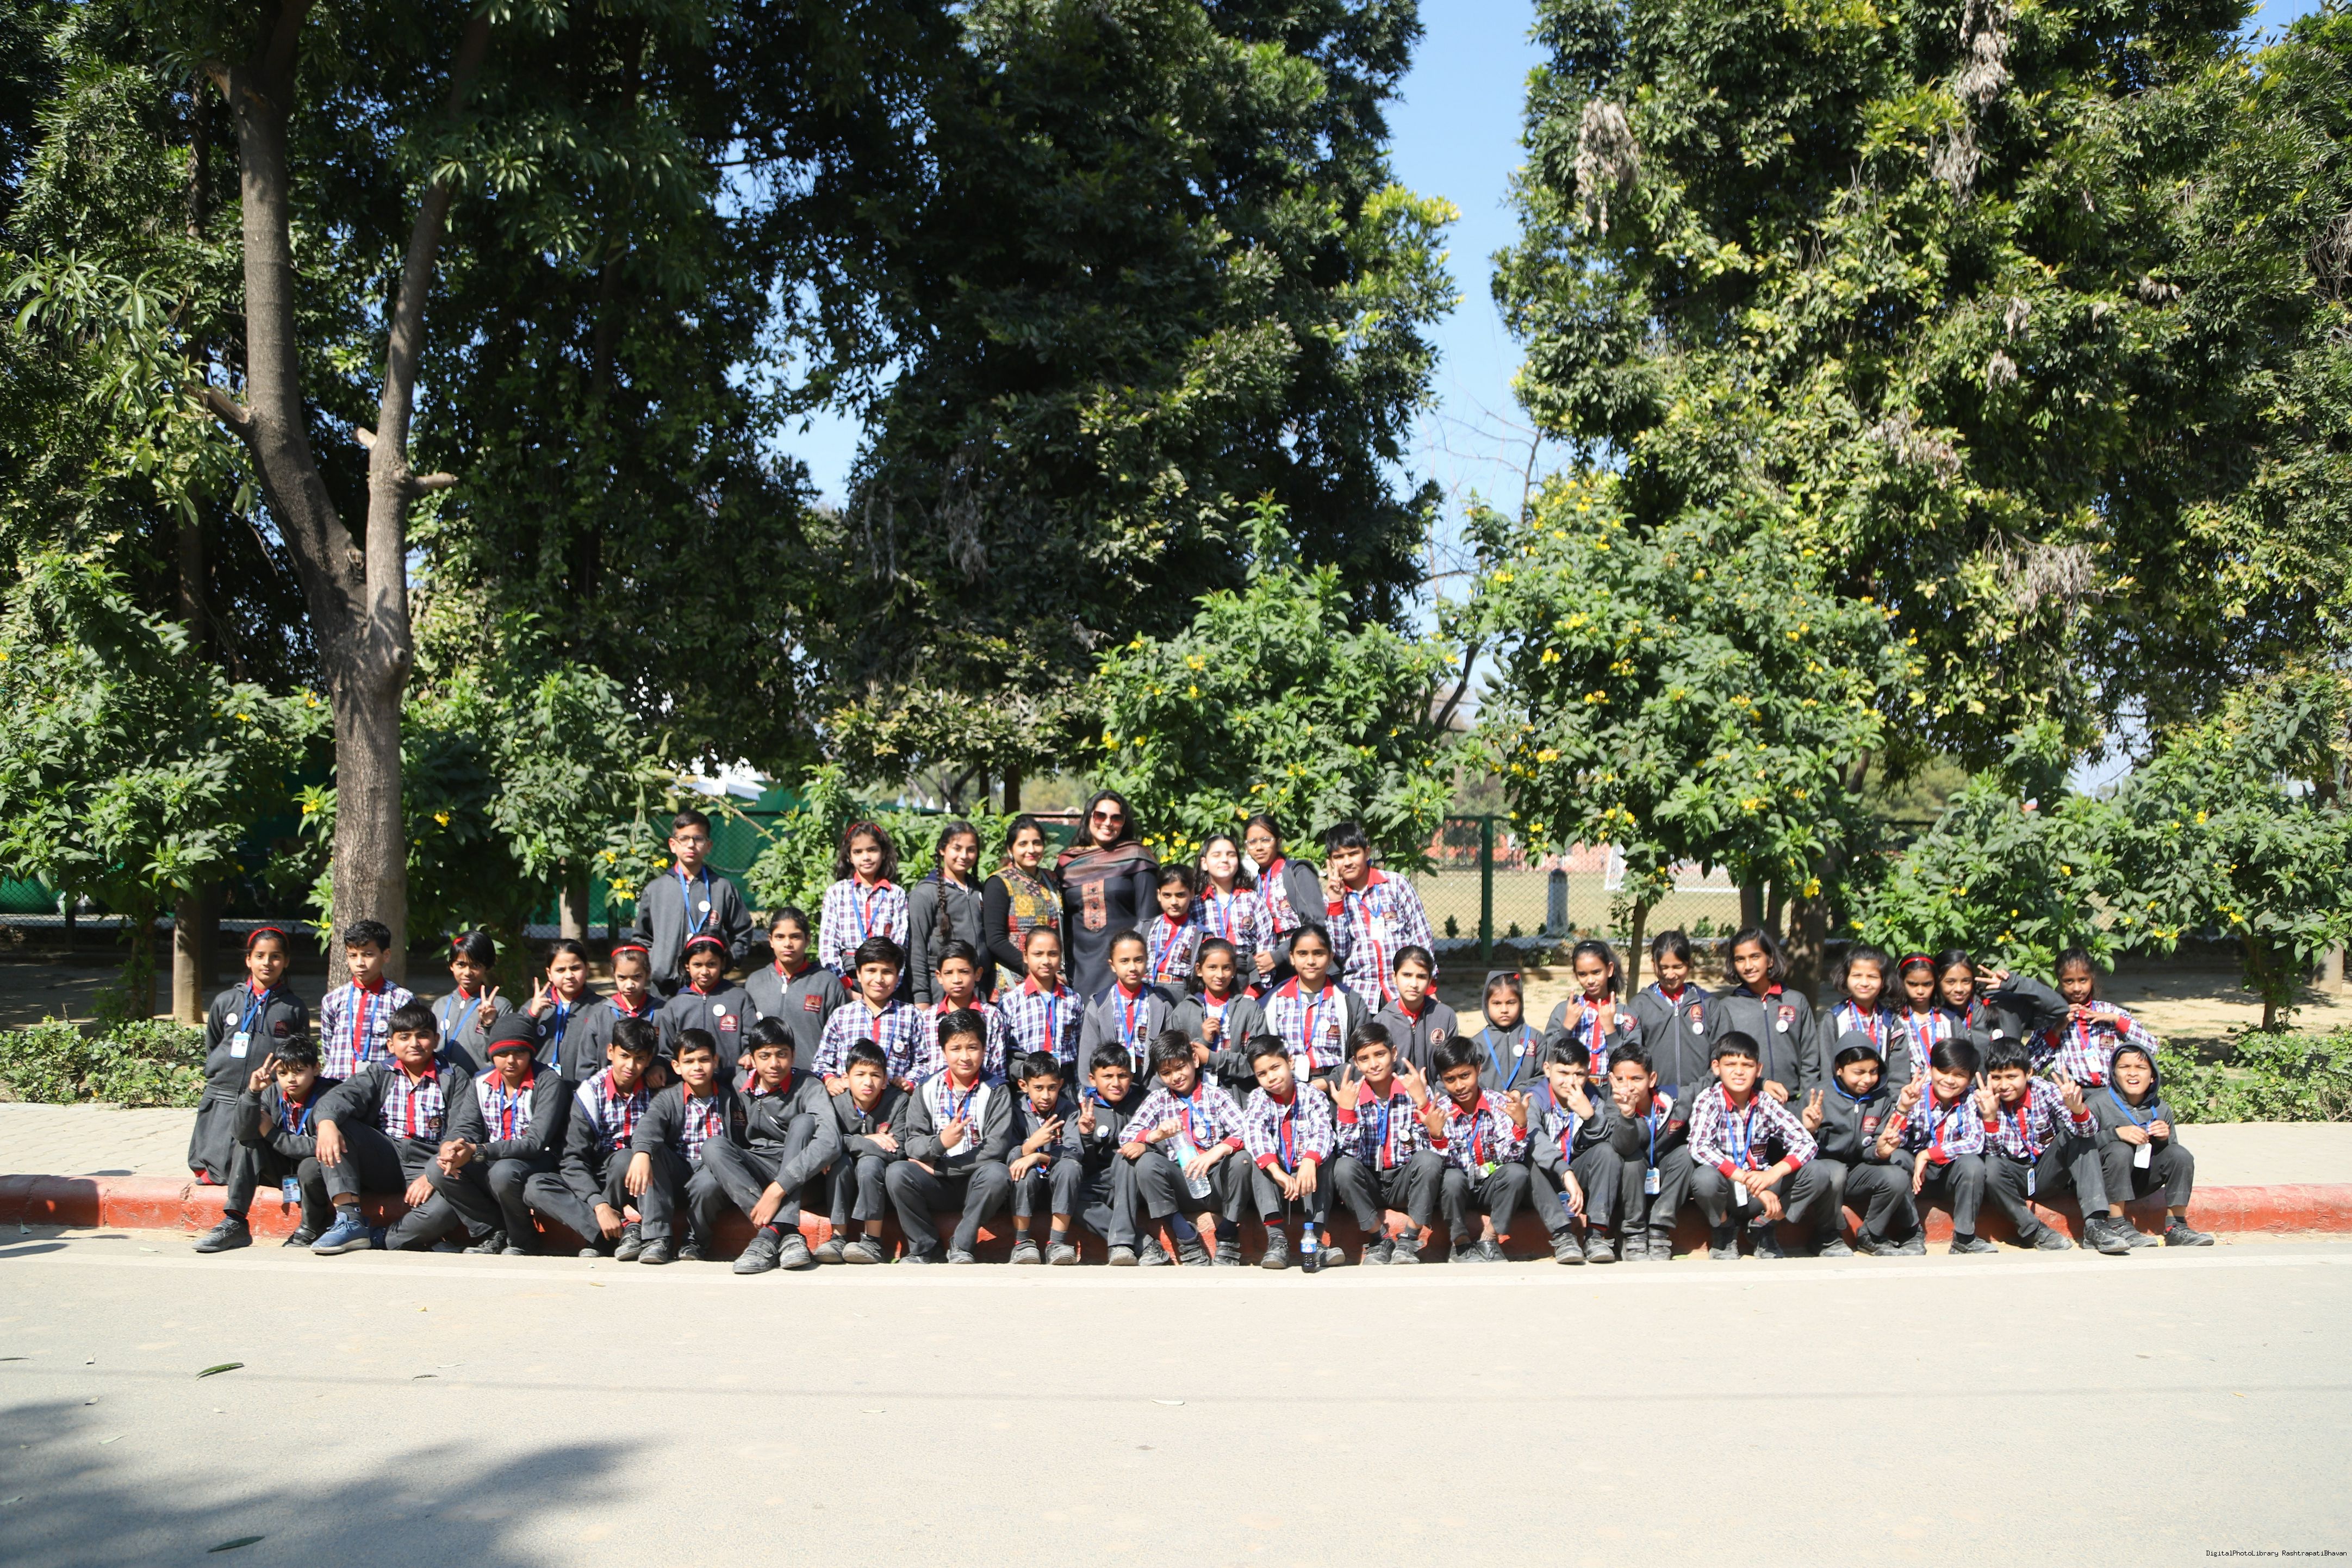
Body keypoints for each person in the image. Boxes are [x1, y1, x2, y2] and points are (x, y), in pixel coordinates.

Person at [309, 1001, 494, 1255]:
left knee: (445, 1211)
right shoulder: (380, 1072)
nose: (414, 1044)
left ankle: (381, 1239)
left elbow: (461, 1130)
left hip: (430, 1160)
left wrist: (433, 1174)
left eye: (423, 1036)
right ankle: (350, 1220)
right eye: (404, 1037)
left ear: (436, 1039)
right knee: (341, 1126)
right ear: (391, 1044)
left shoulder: (454, 1077)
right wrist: (327, 1123)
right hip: (386, 1154)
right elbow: (339, 1097)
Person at [712, 1017, 842, 1275]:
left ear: (793, 1055)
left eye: (782, 1055)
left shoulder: (809, 1086)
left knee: (804, 1123)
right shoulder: (740, 1085)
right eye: (765, 1056)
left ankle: (771, 1234)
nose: (774, 1064)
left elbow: (831, 1141)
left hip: (802, 1179)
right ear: (752, 1058)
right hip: (760, 1171)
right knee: (714, 1146)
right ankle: (781, 1231)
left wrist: (777, 1190)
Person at [886, 1009, 1016, 1264]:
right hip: (935, 1183)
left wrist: (943, 1169)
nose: (965, 1057)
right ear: (944, 1051)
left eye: (973, 1048)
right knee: (897, 1173)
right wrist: (941, 1143)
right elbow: (912, 1143)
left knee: (998, 1174)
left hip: (974, 1181)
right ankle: (925, 1248)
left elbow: (996, 1147)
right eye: (956, 1048)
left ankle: (963, 1244)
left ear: (984, 1049)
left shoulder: (997, 1090)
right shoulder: (926, 1088)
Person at [1687, 1031, 1828, 1261]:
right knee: (1704, 1179)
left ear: (1759, 1069)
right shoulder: (1709, 1100)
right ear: (1716, 1067)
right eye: (1731, 1064)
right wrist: (1744, 1178)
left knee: (1818, 1171)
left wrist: (1772, 1174)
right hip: (1729, 1188)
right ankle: (1724, 1229)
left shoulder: (1765, 1102)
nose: (1739, 1071)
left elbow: (1806, 1143)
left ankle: (1765, 1225)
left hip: (1764, 1186)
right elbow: (1699, 1146)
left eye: (1747, 1065)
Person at [438, 1014, 573, 1255]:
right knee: (438, 1169)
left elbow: (535, 1143)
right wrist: (452, 1146)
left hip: (537, 1159)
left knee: (503, 1172)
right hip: (492, 1155)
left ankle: (524, 1240)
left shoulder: (548, 1081)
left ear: (530, 1053)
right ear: (492, 1055)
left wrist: (479, 1151)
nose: (511, 1061)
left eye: (519, 1053)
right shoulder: (480, 1082)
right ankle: (494, 1231)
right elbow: (466, 1126)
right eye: (503, 1054)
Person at [1977, 1037, 2126, 1254]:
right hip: (2013, 1174)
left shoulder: (2044, 1090)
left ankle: (2096, 1224)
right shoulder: (1983, 1099)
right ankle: (2034, 1231)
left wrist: (2078, 1110)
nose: (2004, 1085)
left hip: (2046, 1170)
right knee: (1989, 1165)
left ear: (2029, 1073)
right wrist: (1990, 1119)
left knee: (2076, 1136)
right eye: (1997, 1078)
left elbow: (2089, 1133)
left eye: (2012, 1076)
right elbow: (1993, 1155)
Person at [189, 926, 311, 1189]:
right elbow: (214, 1042)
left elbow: (298, 1052)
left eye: (276, 957)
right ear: (248, 960)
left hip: (265, 1092)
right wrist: (221, 1066)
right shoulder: (226, 1001)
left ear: (286, 962)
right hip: (225, 1088)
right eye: (260, 956)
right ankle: (210, 1169)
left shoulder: (293, 1007)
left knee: (252, 1146)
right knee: (217, 1145)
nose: (267, 963)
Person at [192, 1036, 338, 1253]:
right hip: (286, 1169)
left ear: (316, 1068)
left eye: (299, 1071)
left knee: (310, 1165)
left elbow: (321, 1148)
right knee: (249, 1144)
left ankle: (312, 1227)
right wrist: (252, 1094)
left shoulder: (331, 1095)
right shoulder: (272, 1092)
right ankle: (235, 1221)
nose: (291, 1079)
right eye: (283, 1073)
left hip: (323, 1174)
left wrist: (272, 1134)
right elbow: (242, 1133)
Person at [1119, 1031, 1250, 1266]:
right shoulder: (1158, 1100)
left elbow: (1247, 1131)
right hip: (1182, 1184)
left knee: (1242, 1160)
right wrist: (1155, 1135)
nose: (1176, 1077)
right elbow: (1126, 1136)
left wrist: (1217, 1151)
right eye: (1166, 1073)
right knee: (1147, 1164)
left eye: (1180, 1067)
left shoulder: (1217, 1096)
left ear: (1195, 1060)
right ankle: (1185, 1236)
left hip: (1216, 1182)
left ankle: (1228, 1233)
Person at [543, 1018, 662, 1259]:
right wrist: (599, 1204)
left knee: (624, 1158)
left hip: (638, 1177)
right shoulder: (590, 1093)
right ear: (610, 1052)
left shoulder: (656, 1090)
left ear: (650, 1060)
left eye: (640, 1058)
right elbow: (573, 1158)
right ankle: (610, 1229)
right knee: (536, 1186)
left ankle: (602, 1239)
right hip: (595, 1176)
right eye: (624, 1056)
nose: (631, 1066)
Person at [1327, 1022, 1445, 1264]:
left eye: (1380, 1054)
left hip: (1404, 1179)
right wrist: (1347, 1112)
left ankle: (1409, 1239)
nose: (1374, 1064)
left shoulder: (1414, 1089)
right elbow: (1349, 1154)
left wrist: (1423, 1104)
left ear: (1394, 1053)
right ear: (1356, 1063)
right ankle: (1379, 1238)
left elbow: (1434, 1150)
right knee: (1343, 1167)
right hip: (1370, 1180)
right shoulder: (1352, 1095)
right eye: (1364, 1058)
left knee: (1429, 1161)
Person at [626, 1028, 741, 1265]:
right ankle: (657, 1239)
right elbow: (650, 1124)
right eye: (689, 1062)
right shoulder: (668, 1097)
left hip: (711, 1176)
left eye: (704, 1060)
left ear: (715, 1061)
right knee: (652, 1152)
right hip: (678, 1171)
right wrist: (642, 1151)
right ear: (677, 1067)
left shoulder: (731, 1099)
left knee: (709, 1181)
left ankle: (695, 1241)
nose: (697, 1067)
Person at [2088, 1042, 2213, 1247]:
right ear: (2114, 1074)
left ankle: (2176, 1227)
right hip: (2103, 1182)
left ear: (2153, 1076)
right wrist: (2115, 1134)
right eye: (2124, 1067)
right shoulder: (2097, 1103)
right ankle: (2116, 1223)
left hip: (2141, 1179)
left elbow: (2171, 1156)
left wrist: (2164, 1139)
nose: (2132, 1073)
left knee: (2181, 1155)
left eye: (2141, 1068)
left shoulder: (2161, 1108)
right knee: (2119, 1150)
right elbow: (2078, 1149)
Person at [1877, 1038, 1994, 1255]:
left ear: (1970, 1079)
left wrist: (1929, 1154)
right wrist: (1903, 1108)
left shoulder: (1971, 1099)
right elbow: (1892, 1139)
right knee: (1897, 1158)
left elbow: (1975, 1142)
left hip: (1950, 1174)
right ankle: (1910, 1232)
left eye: (1959, 1075)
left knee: (1973, 1165)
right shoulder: (1916, 1095)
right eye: (1943, 1071)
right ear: (1931, 1069)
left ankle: (1965, 1238)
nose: (1950, 1080)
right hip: (1916, 1176)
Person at [1798, 1042, 1914, 1257]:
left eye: (1873, 1072)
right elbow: (1799, 1147)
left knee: (1897, 1176)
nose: (1867, 1079)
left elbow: (1874, 1146)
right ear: (1839, 1069)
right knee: (1836, 1172)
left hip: (1860, 1170)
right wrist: (1810, 1130)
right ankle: (1826, 1236)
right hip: (1826, 1171)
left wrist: (1880, 1151)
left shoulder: (1881, 1098)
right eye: (1859, 1072)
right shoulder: (1818, 1096)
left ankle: (1871, 1234)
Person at [1426, 1037, 1533, 1263]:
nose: (1459, 1086)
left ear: (1478, 1068)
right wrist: (1437, 1137)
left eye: (1465, 1076)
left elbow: (1510, 1156)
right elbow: (1438, 1167)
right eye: (1450, 1079)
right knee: (1451, 1178)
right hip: (1456, 1190)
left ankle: (1489, 1238)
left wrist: (1520, 1127)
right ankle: (1460, 1243)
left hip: (1489, 1184)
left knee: (1517, 1173)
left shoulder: (1498, 1103)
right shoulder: (1441, 1112)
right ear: (1442, 1080)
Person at [1239, 1035, 1336, 1271]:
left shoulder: (1312, 1094)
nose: (1271, 1077)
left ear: (1290, 1062)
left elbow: (1324, 1130)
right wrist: (1277, 1172)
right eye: (1262, 1074)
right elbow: (1255, 1133)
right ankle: (1277, 1240)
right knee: (1258, 1160)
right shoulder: (1258, 1098)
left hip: (1307, 1177)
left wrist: (1310, 1161)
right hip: (1278, 1180)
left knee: (1326, 1156)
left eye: (1276, 1067)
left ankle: (1316, 1239)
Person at [630, 808, 754, 991]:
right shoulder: (656, 890)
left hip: (709, 987)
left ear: (709, 846)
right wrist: (656, 966)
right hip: (664, 990)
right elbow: (642, 937)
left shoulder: (722, 888)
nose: (691, 845)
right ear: (673, 845)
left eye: (698, 839)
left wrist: (727, 960)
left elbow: (743, 931)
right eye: (684, 839)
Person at [1055, 790, 1159, 998]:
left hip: (1125, 965)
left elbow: (1148, 920)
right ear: (1089, 817)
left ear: (1124, 823)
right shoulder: (1068, 864)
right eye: (1100, 816)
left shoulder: (1136, 858)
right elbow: (1060, 921)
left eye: (1116, 818)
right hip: (1080, 967)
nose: (1108, 823)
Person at [1525, 1041, 1621, 1265]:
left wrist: (1591, 1118)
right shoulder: (1534, 1099)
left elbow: (1606, 1139)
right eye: (1563, 1073)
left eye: (1579, 1074)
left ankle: (1596, 1235)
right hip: (1547, 1179)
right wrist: (1564, 1171)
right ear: (1547, 1069)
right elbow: (1534, 1138)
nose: (1571, 1081)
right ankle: (1563, 1237)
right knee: (1530, 1159)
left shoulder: (1593, 1099)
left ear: (1589, 1073)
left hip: (1577, 1175)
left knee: (1607, 1152)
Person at [813, 1040, 909, 1265]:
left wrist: (849, 1143)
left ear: (885, 1080)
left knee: (870, 1163)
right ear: (846, 1079)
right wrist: (866, 1140)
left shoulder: (898, 1102)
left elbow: (898, 1149)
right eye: (860, 1075)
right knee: (839, 1162)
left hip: (878, 1181)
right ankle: (838, 1238)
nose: (868, 1082)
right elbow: (828, 1142)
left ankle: (872, 1241)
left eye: (876, 1075)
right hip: (843, 1179)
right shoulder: (835, 1104)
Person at [1322, 820, 1435, 1008]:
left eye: (1353, 854)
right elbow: (1340, 953)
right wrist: (1336, 904)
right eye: (1339, 857)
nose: (1347, 862)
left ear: (1367, 853)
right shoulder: (1330, 901)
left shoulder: (1395, 885)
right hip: (1361, 994)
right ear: (1331, 861)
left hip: (1403, 990)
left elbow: (1421, 935)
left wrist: (1430, 988)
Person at [1603, 1044, 1692, 1262]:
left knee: (1685, 1155)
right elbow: (1623, 1147)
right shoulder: (1611, 1108)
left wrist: (1762, 1083)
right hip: (1630, 1182)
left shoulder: (1673, 1099)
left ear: (1652, 1079)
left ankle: (1659, 1228)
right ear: (1611, 1080)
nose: (1628, 1087)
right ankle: (1633, 1232)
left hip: (1662, 1173)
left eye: (1636, 1079)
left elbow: (1709, 1082)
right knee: (1632, 1160)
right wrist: (1627, 1115)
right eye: (1621, 1079)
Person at [1260, 923, 1365, 1099]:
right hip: (1285, 1092)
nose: (1311, 961)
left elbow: (1365, 1055)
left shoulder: (1350, 1002)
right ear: (1292, 957)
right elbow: (1260, 1053)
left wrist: (1330, 1081)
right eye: (1303, 954)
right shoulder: (1272, 1002)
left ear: (1330, 957)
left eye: (1318, 953)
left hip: (1335, 1092)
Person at [1715, 928, 1820, 1104]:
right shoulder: (1727, 1007)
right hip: (1748, 1103)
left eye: (1755, 957)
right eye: (1740, 959)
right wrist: (1761, 1084)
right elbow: (1725, 1061)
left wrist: (1808, 1100)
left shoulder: (1796, 1001)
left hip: (1793, 1102)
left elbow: (1810, 1056)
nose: (1748, 966)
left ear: (1770, 960)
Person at [2032, 948, 2161, 1089]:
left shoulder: (2110, 1012)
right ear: (2059, 981)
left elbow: (2152, 1047)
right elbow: (2032, 1065)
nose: (2077, 988)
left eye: (2083, 980)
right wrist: (2056, 1030)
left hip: (2108, 1092)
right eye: (2069, 981)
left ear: (2092, 978)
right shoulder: (2051, 1017)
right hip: (2070, 1093)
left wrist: (2116, 1020)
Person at [741, 906, 846, 1072]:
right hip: (766, 1079)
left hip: (813, 1079)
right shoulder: (755, 982)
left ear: (808, 939)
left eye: (795, 937)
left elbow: (842, 1038)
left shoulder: (827, 983)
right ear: (770, 940)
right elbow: (746, 1033)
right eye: (780, 937)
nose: (788, 944)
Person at [812, 937, 925, 1088]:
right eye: (871, 971)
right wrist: (831, 1080)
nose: (879, 979)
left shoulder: (911, 1016)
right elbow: (821, 1062)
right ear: (859, 974)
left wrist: (910, 1082)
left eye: (887, 972)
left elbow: (924, 1062)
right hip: (848, 1098)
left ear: (898, 976)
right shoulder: (841, 1016)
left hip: (895, 1098)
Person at [1005, 1050, 1084, 1265]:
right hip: (1026, 1186)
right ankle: (1022, 1243)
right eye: (1038, 1088)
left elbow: (1075, 1151)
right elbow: (1006, 1153)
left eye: (1052, 1088)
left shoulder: (1069, 1111)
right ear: (1024, 1085)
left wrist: (1038, 1156)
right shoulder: (1015, 1110)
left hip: (1059, 1186)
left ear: (1061, 1085)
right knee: (1022, 1170)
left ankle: (1057, 1243)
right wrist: (1029, 1146)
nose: (1046, 1096)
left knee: (1070, 1167)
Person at [1077, 1044, 1153, 1265]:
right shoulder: (1086, 1108)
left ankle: (1123, 1245)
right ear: (1093, 1079)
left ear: (1131, 1077)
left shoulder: (1145, 1103)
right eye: (1108, 1076)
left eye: (1123, 1076)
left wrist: (1146, 1147)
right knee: (1073, 1198)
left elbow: (1166, 1142)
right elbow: (1087, 1165)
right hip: (1106, 1182)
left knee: (1125, 1155)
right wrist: (1087, 1137)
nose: (1116, 1083)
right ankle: (1143, 1242)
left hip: (1138, 1182)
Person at [1169, 938, 1266, 1102]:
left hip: (1240, 1098)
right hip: (1194, 1098)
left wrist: (1212, 1058)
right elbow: (1171, 1062)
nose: (1220, 975)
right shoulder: (1184, 1011)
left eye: (1226, 968)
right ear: (1199, 969)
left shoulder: (1250, 1009)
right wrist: (1204, 1041)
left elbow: (1259, 1063)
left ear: (1234, 970)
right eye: (1212, 967)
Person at [318, 918, 414, 1080]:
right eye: (353, 956)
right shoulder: (333, 1000)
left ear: (386, 955)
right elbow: (327, 1048)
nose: (360, 963)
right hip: (338, 1085)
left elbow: (408, 1047)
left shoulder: (401, 1000)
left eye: (368, 955)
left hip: (382, 1085)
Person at [908, 819, 991, 1005]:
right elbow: (916, 950)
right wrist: (921, 997)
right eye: (957, 848)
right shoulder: (925, 894)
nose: (964, 856)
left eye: (971, 850)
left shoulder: (979, 891)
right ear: (942, 850)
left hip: (978, 990)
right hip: (940, 992)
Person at [1077, 929, 1179, 1077]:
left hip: (1150, 1083)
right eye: (1125, 961)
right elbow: (1088, 1054)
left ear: (1147, 961)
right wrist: (1092, 1088)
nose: (1133, 968)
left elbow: (1169, 1055)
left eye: (1138, 960)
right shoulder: (1098, 1006)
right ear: (1112, 965)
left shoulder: (1161, 1006)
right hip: (1111, 1084)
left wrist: (1157, 1086)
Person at [1241, 814, 1326, 991]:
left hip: (1301, 958)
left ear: (1279, 842)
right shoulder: (1254, 883)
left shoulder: (1296, 873)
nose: (1259, 847)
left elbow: (1315, 922)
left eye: (1266, 840)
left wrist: (1279, 956)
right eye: (1252, 842)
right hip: (1269, 965)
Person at [910, 939, 1013, 1081]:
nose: (957, 979)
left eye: (964, 972)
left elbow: (997, 1067)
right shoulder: (928, 1018)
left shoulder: (991, 1016)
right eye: (949, 973)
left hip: (982, 1090)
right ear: (939, 976)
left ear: (978, 974)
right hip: (936, 1091)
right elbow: (922, 1063)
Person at [1632, 929, 1718, 1098]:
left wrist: (1704, 1086)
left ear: (1690, 963)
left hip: (1703, 1097)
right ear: (1654, 964)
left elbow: (1722, 1053)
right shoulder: (1640, 1005)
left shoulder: (1708, 1004)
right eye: (1664, 967)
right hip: (1656, 1099)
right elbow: (1632, 1056)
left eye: (1678, 967)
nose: (1670, 974)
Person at [982, 815, 1064, 990]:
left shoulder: (1052, 879)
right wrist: (1031, 968)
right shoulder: (999, 883)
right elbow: (995, 939)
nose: (1031, 850)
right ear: (1010, 849)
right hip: (1014, 981)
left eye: (1037, 843)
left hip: (1052, 978)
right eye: (1023, 844)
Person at [818, 820, 910, 978]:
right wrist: (843, 984)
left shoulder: (896, 894)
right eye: (858, 852)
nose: (866, 857)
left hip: (884, 976)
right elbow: (828, 947)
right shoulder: (836, 893)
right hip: (847, 976)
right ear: (849, 857)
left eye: (872, 850)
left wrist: (891, 982)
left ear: (884, 853)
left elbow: (900, 947)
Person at [1542, 939, 1641, 1079]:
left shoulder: (1626, 1016)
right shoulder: (1565, 1011)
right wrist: (1567, 1027)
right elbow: (1548, 1055)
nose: (1590, 981)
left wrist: (1611, 1031)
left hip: (1611, 1088)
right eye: (1583, 974)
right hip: (1571, 1085)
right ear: (1575, 974)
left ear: (1609, 970)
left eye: (1596, 972)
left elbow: (1632, 1064)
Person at [657, 932, 752, 1077]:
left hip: (733, 1082)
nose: (705, 972)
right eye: (697, 965)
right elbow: (666, 1052)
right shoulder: (675, 1006)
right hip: (690, 1083)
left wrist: (749, 1054)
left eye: (712, 964)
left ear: (723, 963)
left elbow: (752, 1039)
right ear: (687, 965)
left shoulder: (740, 998)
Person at [565, 941, 659, 1079]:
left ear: (648, 973)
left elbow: (670, 1053)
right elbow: (586, 1065)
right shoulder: (600, 1015)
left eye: (637, 977)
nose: (629, 985)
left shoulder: (662, 1012)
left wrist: (659, 1066)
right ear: (613, 974)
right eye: (622, 977)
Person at [1826, 944, 1913, 1092]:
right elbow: (1827, 1069)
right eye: (1857, 976)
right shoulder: (1834, 1019)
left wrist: (1894, 1102)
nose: (1865, 983)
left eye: (1872, 977)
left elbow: (1899, 1075)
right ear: (1846, 978)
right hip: (1841, 1099)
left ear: (1884, 981)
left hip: (1882, 1100)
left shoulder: (1891, 1022)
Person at [1000, 926, 1083, 1073]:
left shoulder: (1073, 1000)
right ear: (1026, 956)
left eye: (1053, 954)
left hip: (1065, 1079)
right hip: (1026, 1079)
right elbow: (1004, 1051)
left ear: (1061, 956)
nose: (1046, 961)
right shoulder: (1010, 1003)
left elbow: (1079, 1047)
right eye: (1038, 954)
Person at [1194, 832, 1272, 991]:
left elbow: (1266, 947)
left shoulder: (1253, 900)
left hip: (1247, 982)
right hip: (1207, 986)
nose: (1225, 860)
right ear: (1204, 863)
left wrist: (1256, 991)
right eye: (1217, 855)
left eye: (1231, 855)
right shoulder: (1196, 905)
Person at [520, 939, 603, 1077]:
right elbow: (515, 1044)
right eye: (561, 970)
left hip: (582, 1086)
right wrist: (532, 1016)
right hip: (538, 1085)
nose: (569, 976)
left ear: (587, 968)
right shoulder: (533, 1006)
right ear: (549, 974)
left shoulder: (601, 1008)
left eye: (575, 968)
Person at [431, 930, 512, 1069]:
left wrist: (489, 1025)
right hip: (441, 1079)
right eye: (461, 965)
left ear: (487, 967)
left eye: (476, 966)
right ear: (451, 965)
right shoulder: (440, 1006)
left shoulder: (500, 1006)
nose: (468, 972)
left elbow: (506, 1053)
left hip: (480, 1081)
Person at [1372, 944, 1455, 1078]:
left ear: (1430, 981)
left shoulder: (1446, 1016)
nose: (1414, 984)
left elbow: (1452, 1067)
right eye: (1407, 975)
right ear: (1394, 978)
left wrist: (1434, 1090)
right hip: (1396, 1090)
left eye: (1421, 977)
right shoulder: (1381, 1022)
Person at [1465, 971, 1544, 1093]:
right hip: (1488, 1104)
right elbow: (1468, 1079)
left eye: (1511, 1003)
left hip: (1526, 1103)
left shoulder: (1535, 1038)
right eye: (1497, 1003)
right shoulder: (1477, 1043)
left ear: (1520, 1003)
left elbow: (1545, 1076)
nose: (1504, 1010)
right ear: (1486, 1004)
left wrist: (1520, 1091)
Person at [1146, 863, 1203, 988]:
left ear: (1192, 894)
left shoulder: (1199, 934)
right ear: (1159, 895)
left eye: (1180, 895)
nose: (1174, 902)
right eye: (1167, 895)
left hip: (1179, 990)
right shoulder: (1147, 927)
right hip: (1147, 987)